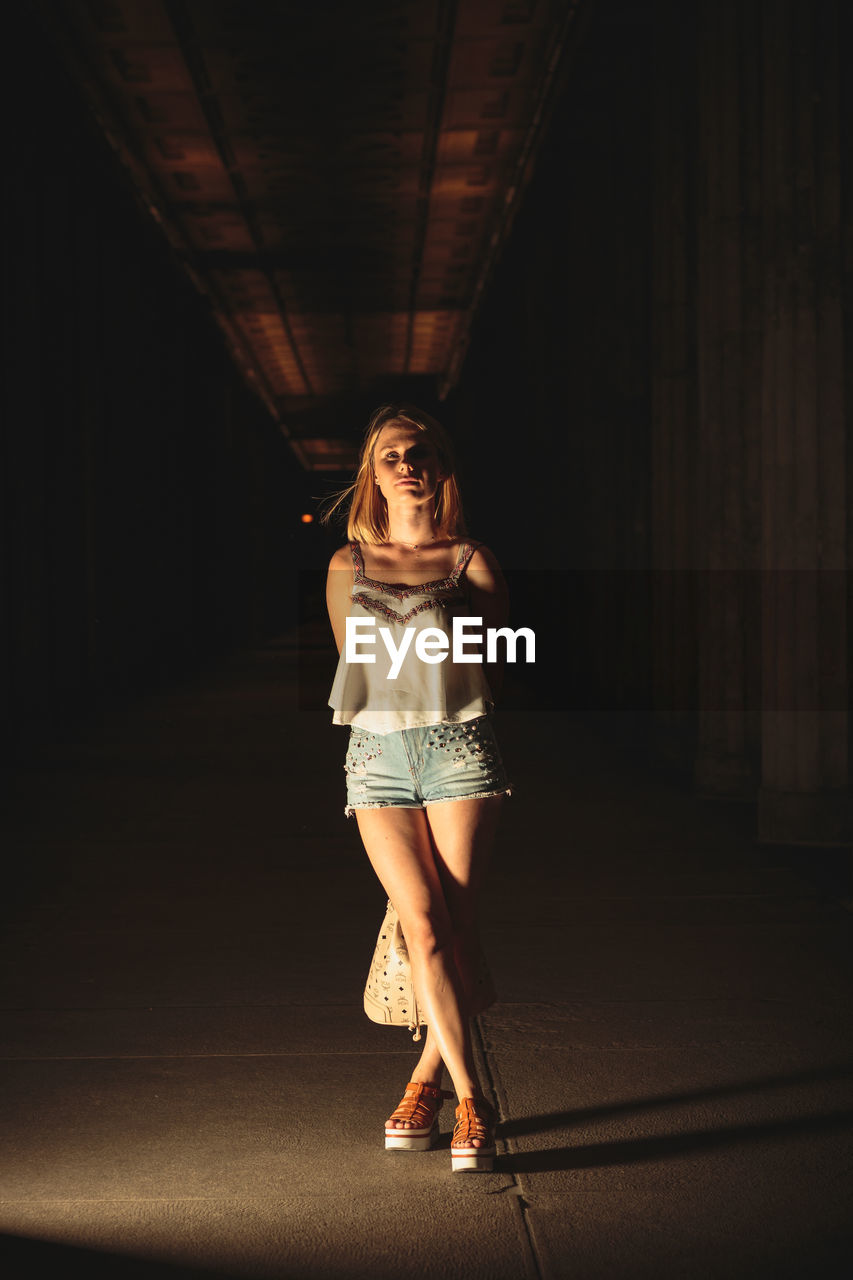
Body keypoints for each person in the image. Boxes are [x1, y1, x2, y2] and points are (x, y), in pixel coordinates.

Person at [323, 403, 512, 1173]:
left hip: (457, 751)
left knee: (452, 930)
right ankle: (468, 1098)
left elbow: (493, 660)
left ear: (440, 467)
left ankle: (437, 1089)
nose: (406, 463)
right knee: (421, 924)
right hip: (375, 758)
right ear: (372, 473)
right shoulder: (346, 565)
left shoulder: (472, 561)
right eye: (391, 454)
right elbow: (356, 664)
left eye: (420, 451)